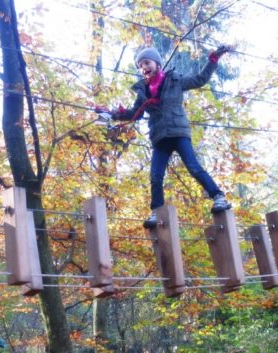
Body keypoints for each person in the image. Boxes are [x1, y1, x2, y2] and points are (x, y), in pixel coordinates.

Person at [99, 45, 233, 228]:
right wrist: (113, 113)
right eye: (140, 65)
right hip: (160, 137)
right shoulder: (143, 91)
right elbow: (135, 114)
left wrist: (213, 60)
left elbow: (200, 79)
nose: (143, 67)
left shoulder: (175, 80)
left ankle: (218, 197)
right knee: (155, 176)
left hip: (178, 132)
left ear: (157, 63)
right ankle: (157, 211)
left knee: (194, 167)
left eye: (146, 62)